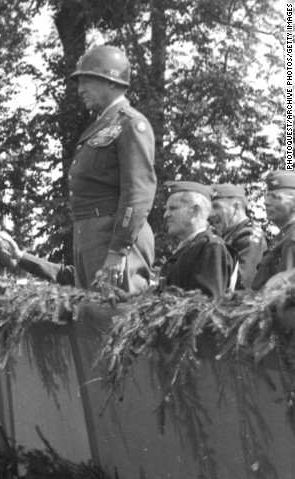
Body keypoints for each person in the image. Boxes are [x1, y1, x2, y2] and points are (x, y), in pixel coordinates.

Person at [67, 45, 156, 292]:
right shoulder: (102, 125)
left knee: (116, 320)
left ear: (111, 82)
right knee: (92, 320)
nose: (80, 89)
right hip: (90, 237)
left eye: (87, 81)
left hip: (114, 239)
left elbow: (137, 192)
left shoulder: (130, 124)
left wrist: (119, 248)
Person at [156, 182, 235, 297]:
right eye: (166, 209)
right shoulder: (188, 248)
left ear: (195, 210)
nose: (166, 215)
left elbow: (205, 307)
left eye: (173, 208)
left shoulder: (212, 248)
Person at [209, 183, 266, 290]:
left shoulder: (249, 234)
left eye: (216, 206)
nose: (211, 214)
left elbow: (243, 286)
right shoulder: (229, 236)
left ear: (236, 207)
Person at [250, 170, 295, 290]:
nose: (266, 202)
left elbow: (285, 295)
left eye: (275, 197)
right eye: (267, 196)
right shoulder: (282, 236)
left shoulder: (292, 238)